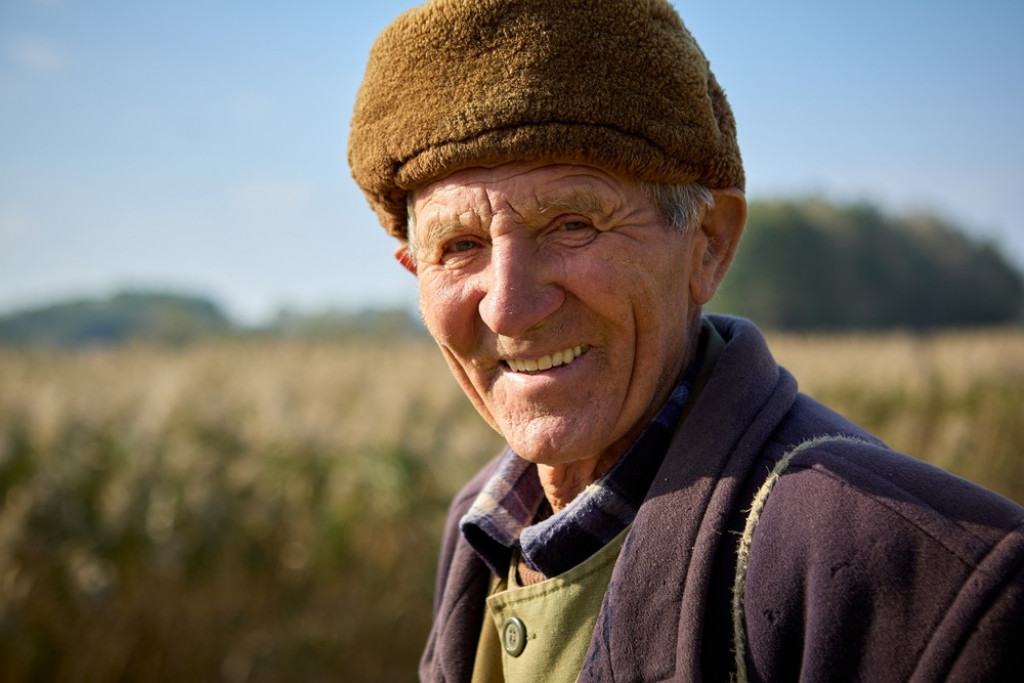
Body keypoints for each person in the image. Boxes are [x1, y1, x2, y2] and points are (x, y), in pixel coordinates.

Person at [348, 0, 1024, 680]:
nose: (512, 307)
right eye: (459, 245)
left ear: (709, 243)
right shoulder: (481, 530)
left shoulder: (936, 585)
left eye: (572, 223)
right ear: (415, 271)